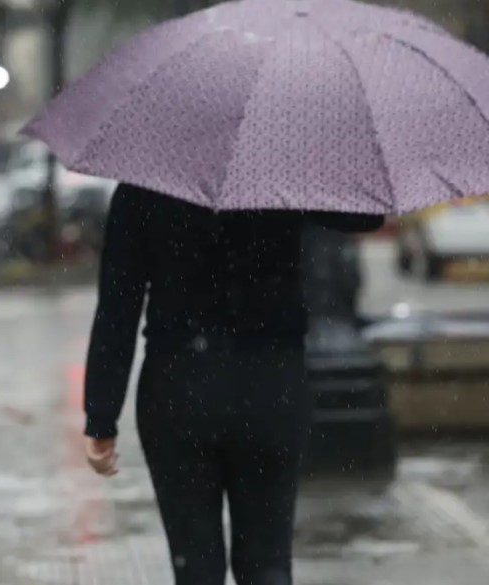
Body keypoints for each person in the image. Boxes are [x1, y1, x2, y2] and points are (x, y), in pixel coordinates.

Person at [83, 185, 383, 585]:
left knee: (195, 565)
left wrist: (101, 416)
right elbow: (365, 216)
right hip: (269, 387)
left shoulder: (145, 187)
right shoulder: (279, 176)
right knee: (267, 563)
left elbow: (118, 308)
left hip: (179, 388)